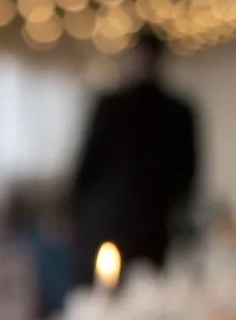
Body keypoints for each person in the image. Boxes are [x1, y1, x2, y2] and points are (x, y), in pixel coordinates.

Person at [70, 29, 199, 283]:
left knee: (107, 295)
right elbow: (189, 175)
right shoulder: (179, 111)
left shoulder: (111, 105)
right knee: (143, 293)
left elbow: (87, 165)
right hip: (149, 222)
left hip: (116, 219)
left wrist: (73, 209)